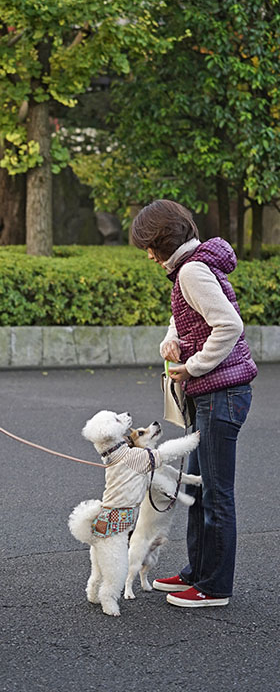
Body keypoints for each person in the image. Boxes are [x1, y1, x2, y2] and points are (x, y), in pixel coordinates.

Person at [131, 199, 257, 608]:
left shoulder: (191, 270)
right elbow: (186, 317)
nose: (149, 256)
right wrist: (172, 340)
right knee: (200, 488)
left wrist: (194, 366)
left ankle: (214, 587)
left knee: (216, 494)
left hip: (222, 394)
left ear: (163, 240)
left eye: (149, 247)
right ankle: (197, 572)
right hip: (216, 394)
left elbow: (229, 325)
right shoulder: (191, 267)